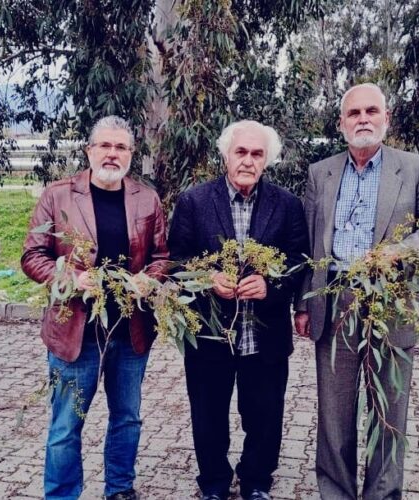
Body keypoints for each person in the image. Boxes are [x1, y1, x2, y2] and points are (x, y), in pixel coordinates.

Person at [294, 83, 419, 500]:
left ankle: (383, 494)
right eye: (354, 113)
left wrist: (395, 253)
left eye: (371, 111)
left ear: (386, 117)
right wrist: (304, 305)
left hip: (390, 303)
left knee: (389, 410)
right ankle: (336, 493)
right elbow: (310, 245)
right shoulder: (320, 173)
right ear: (342, 123)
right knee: (334, 414)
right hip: (334, 303)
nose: (363, 119)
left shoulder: (417, 169)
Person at [21, 115, 168, 500]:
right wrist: (67, 279)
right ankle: (63, 494)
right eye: (105, 145)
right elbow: (32, 256)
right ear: (89, 150)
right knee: (67, 425)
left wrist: (149, 279)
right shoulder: (58, 195)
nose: (112, 154)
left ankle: (119, 489)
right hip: (75, 333)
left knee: (127, 418)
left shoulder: (146, 199)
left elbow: (162, 257)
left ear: (131, 154)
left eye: (121, 147)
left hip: (130, 331)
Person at [168, 120, 308, 500]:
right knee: (209, 414)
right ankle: (213, 482)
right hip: (211, 333)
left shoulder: (287, 205)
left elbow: (299, 262)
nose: (247, 160)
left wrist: (271, 286)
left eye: (257, 154)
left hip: (265, 335)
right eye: (240, 152)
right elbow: (175, 261)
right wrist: (207, 278)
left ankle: (256, 480)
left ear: (268, 160)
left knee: (264, 414)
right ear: (226, 154)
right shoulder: (194, 202)